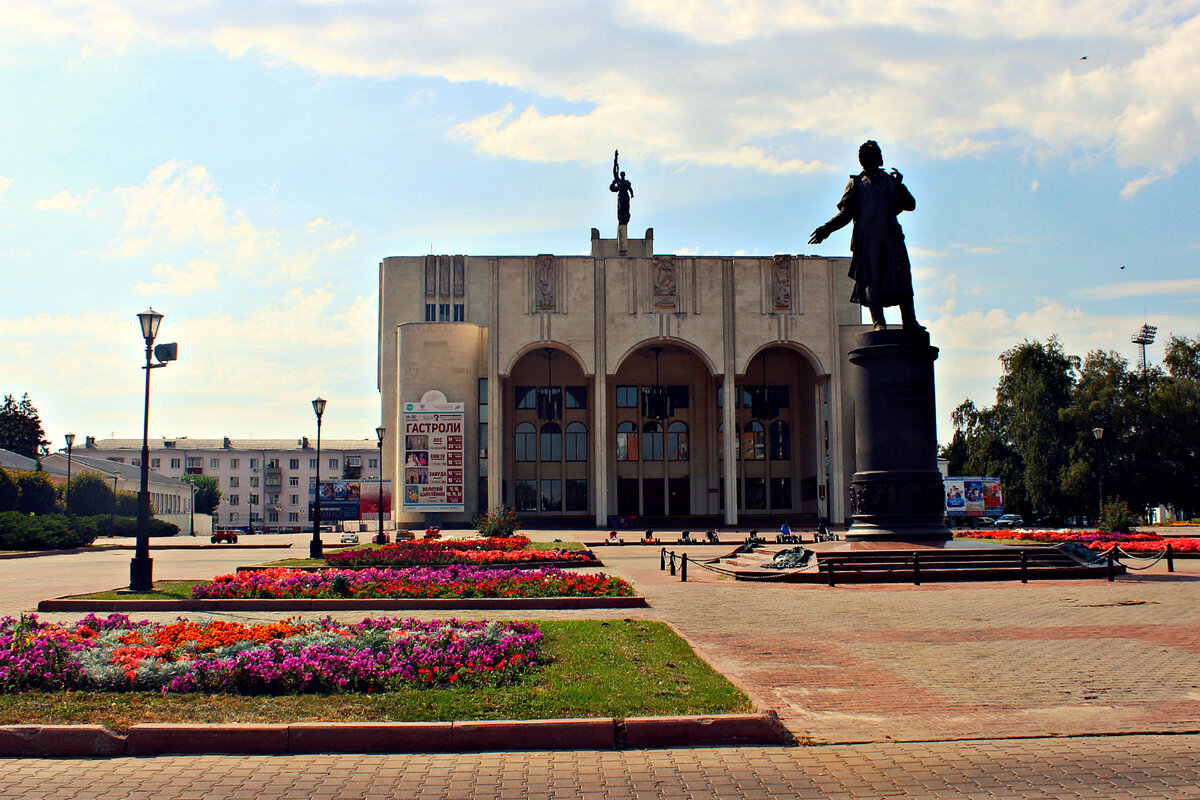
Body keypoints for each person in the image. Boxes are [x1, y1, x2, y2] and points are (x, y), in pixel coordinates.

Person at [809, 140, 920, 330]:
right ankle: (878, 322)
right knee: (872, 279)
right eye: (876, 153)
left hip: (892, 237)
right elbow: (846, 214)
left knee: (902, 278)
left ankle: (909, 321)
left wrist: (900, 186)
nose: (880, 156)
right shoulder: (857, 184)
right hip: (868, 240)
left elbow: (910, 204)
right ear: (868, 158)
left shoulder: (891, 181)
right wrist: (826, 229)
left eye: (879, 152)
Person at [610, 150, 633, 226]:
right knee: (621, 208)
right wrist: (615, 159)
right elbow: (614, 172)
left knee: (626, 208)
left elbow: (630, 189)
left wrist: (632, 194)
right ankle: (621, 219)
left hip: (625, 196)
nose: (622, 175)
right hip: (621, 196)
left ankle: (625, 219)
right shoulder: (619, 181)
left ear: (624, 175)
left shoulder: (626, 182)